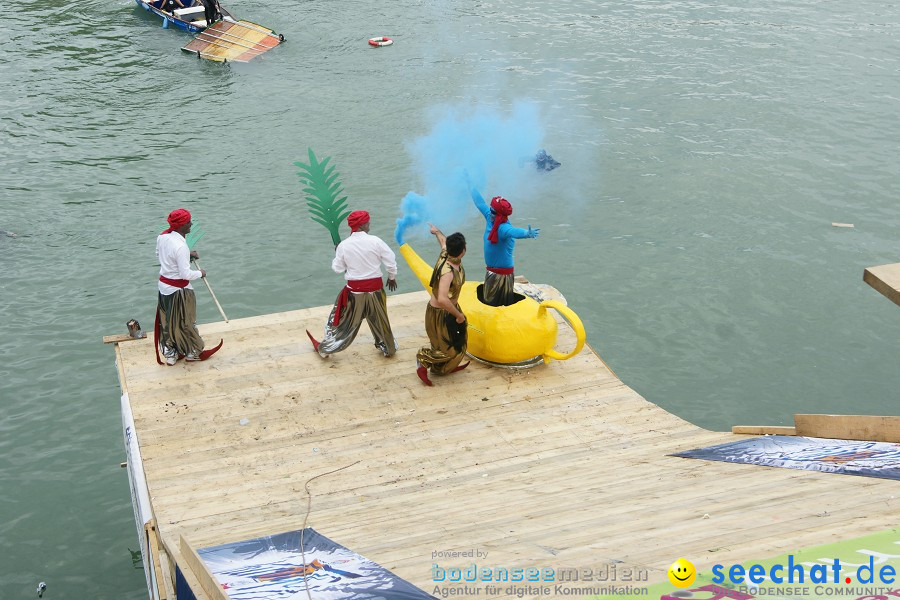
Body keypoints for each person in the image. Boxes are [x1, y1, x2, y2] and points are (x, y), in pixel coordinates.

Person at [306, 210, 399, 358]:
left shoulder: (344, 245)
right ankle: (388, 348)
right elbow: (390, 261)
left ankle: (326, 349)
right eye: (368, 222)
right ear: (362, 225)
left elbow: (337, 269)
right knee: (380, 319)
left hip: (355, 292)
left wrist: (337, 253)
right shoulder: (376, 241)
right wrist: (392, 277)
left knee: (346, 325)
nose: (369, 224)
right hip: (376, 289)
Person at [416, 225, 469, 386]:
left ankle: (444, 368)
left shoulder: (447, 254)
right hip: (440, 314)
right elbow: (442, 299)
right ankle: (423, 360)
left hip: (451, 310)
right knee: (449, 349)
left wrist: (437, 232)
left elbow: (443, 242)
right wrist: (459, 316)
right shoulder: (448, 272)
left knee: (461, 342)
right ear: (463, 251)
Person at [471, 188, 540, 306]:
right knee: (490, 302)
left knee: (496, 304)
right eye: (490, 209)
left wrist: (527, 234)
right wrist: (470, 186)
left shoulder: (503, 228)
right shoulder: (490, 217)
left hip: (501, 274)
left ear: (500, 214)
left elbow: (514, 232)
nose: (490, 212)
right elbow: (480, 203)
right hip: (491, 271)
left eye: (493, 211)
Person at [155, 208, 205, 366]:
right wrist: (200, 273)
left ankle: (171, 354)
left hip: (164, 287)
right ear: (181, 226)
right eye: (188, 222)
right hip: (180, 292)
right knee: (186, 322)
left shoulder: (162, 237)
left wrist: (187, 256)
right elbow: (185, 275)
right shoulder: (180, 247)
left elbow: (159, 254)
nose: (191, 224)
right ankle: (191, 352)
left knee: (167, 322)